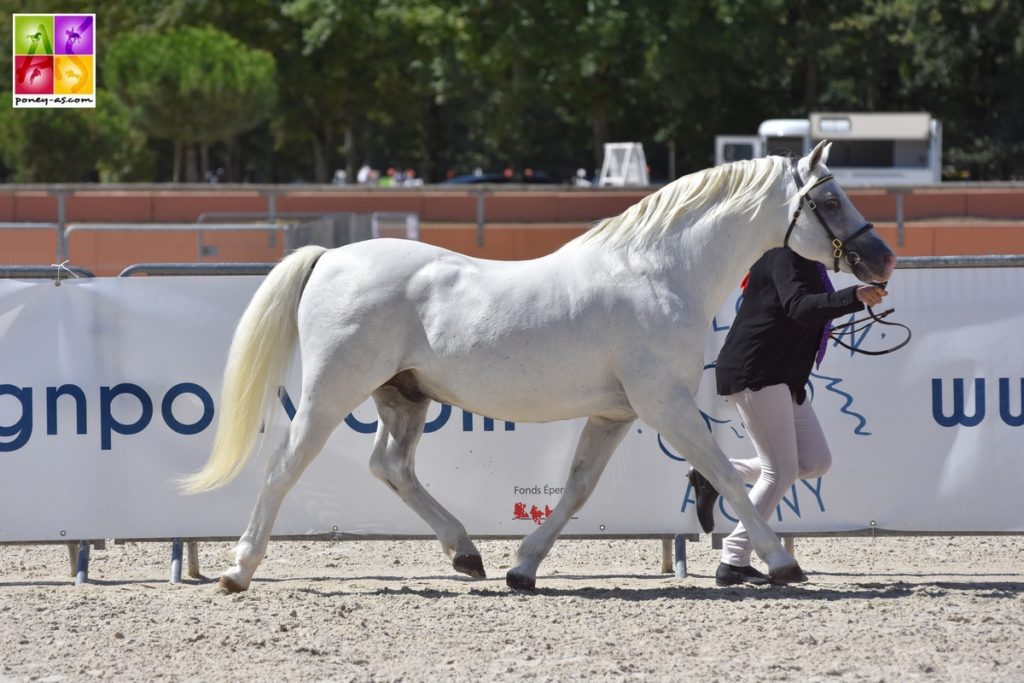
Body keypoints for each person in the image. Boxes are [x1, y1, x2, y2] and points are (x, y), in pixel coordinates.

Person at [689, 245, 888, 586]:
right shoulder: (783, 256)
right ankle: (734, 558)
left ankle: (715, 474)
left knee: (814, 462)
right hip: (757, 372)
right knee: (780, 471)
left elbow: (800, 314)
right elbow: (799, 307)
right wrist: (853, 297)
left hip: (784, 377)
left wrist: (857, 293)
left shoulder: (806, 262)